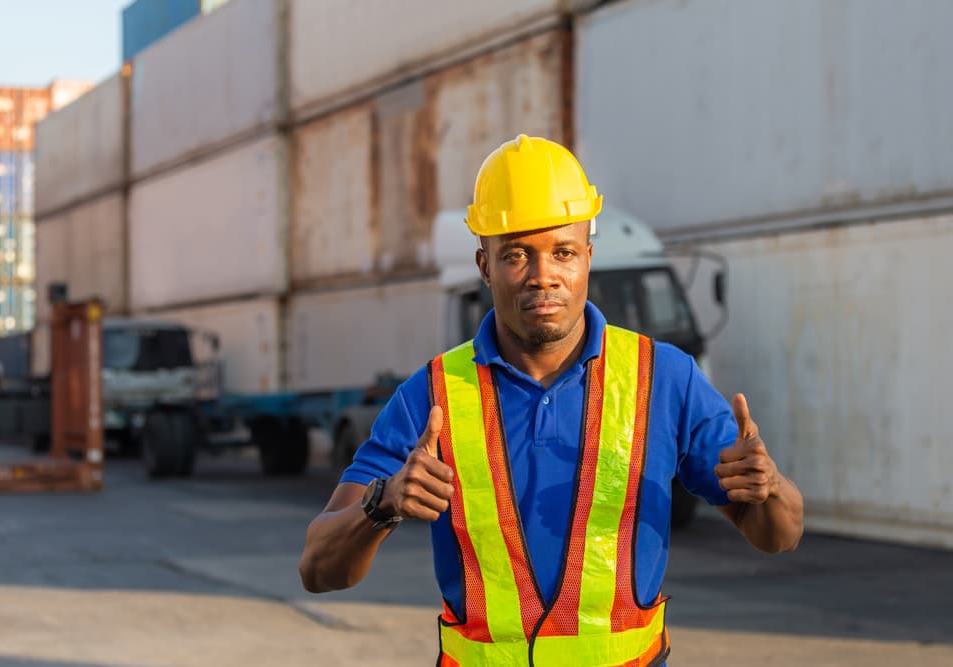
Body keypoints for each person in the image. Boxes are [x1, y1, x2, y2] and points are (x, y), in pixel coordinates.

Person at [300, 134, 804, 666]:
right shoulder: (430, 397)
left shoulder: (664, 378)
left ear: (588, 257)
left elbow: (780, 535)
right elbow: (318, 569)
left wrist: (769, 488)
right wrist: (381, 504)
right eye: (516, 255)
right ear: (484, 265)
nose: (543, 277)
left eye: (563, 252)